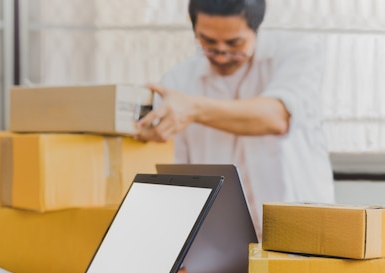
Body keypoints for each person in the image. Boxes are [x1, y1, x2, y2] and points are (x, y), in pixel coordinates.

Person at [135, 0, 335, 238]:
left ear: (256, 28)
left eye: (234, 43)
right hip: (223, 242)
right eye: (208, 42)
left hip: (302, 234)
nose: (221, 54)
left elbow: (275, 117)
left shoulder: (297, 52)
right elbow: (177, 177)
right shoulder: (179, 82)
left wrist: (193, 108)